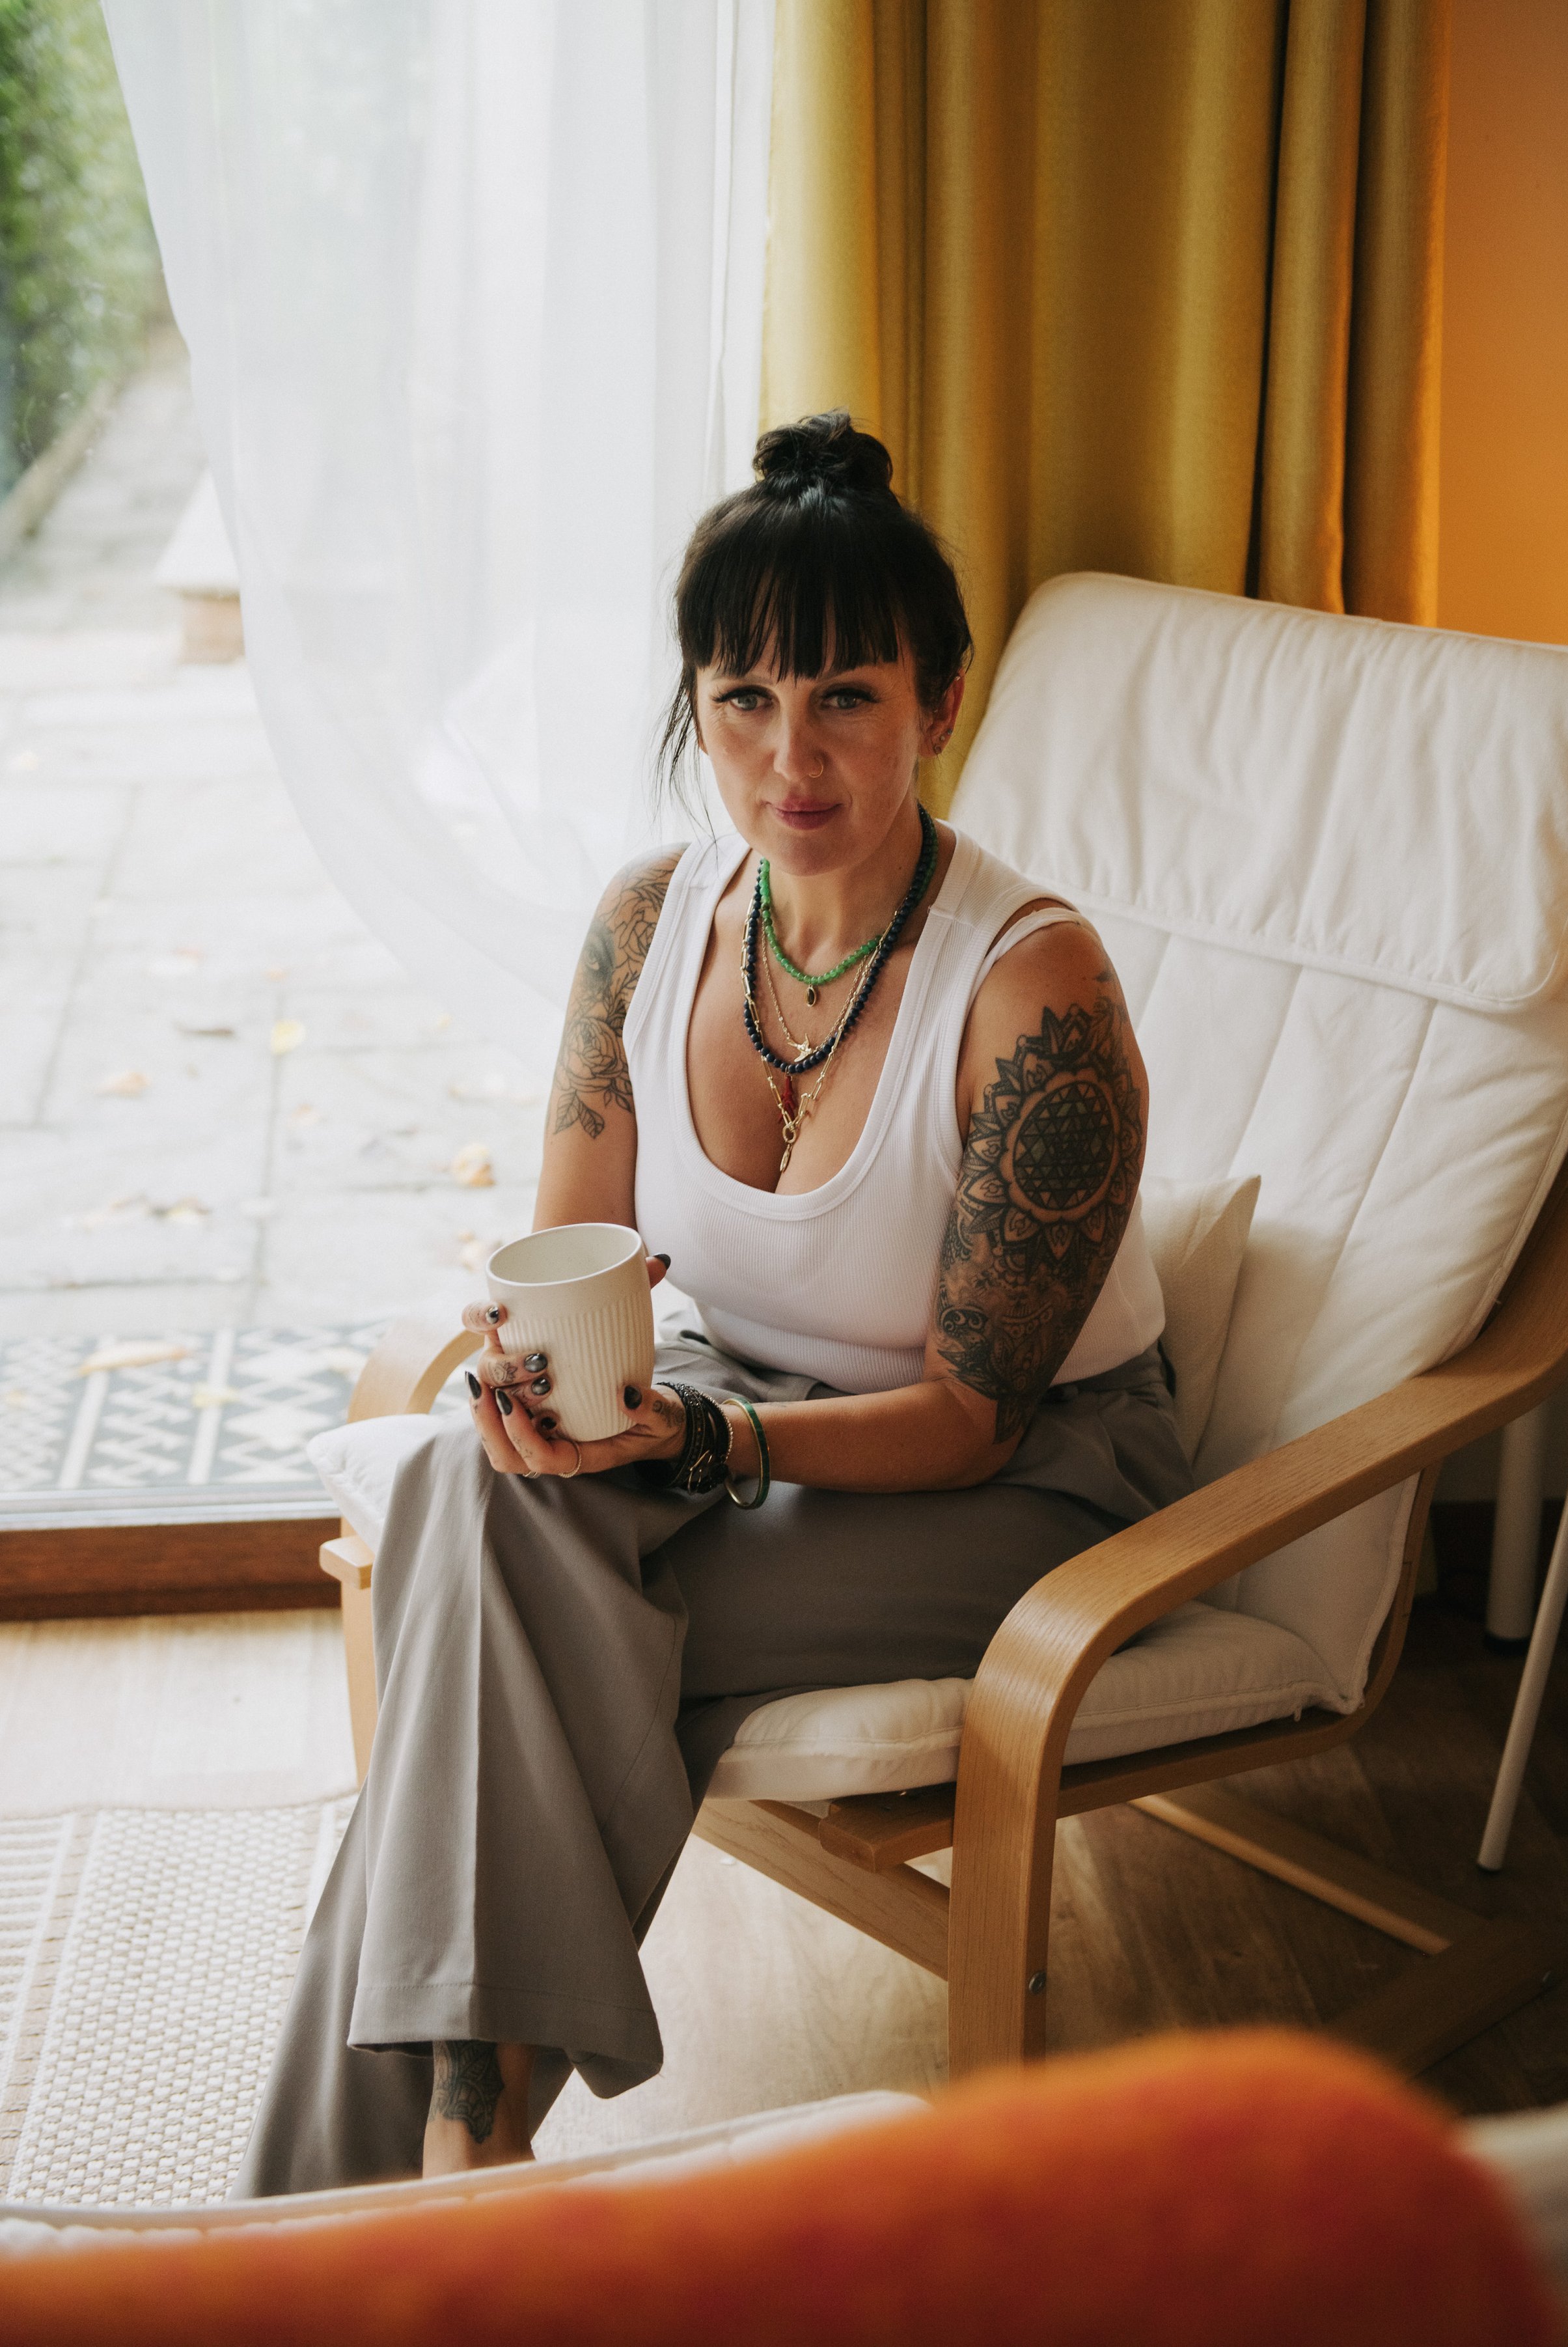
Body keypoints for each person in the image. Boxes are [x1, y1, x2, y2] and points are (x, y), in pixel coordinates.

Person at [234, 411, 1192, 2197]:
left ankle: (370, 2196)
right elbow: (571, 1266)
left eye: (842, 693)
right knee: (469, 1494)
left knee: (507, 1609)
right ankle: (459, 2152)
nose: (788, 755)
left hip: (1022, 1478)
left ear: (940, 697)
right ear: (696, 704)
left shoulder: (1034, 990)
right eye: (742, 698)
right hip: (723, 1404)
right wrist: (543, 1395)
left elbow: (973, 1416)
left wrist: (694, 1440)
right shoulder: (644, 925)